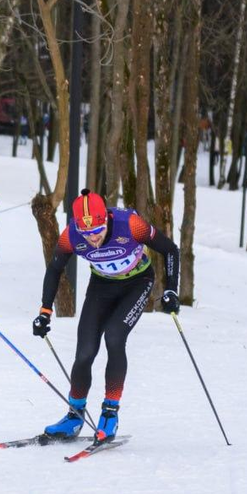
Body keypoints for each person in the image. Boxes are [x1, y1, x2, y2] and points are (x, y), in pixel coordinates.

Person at [31, 189, 180, 445]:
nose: (93, 239)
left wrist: (171, 290)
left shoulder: (130, 224)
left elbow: (170, 250)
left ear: (107, 220)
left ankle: (110, 413)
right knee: (85, 352)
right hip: (102, 286)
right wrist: (45, 311)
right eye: (87, 234)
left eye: (97, 231)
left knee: (114, 337)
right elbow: (55, 268)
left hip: (138, 283)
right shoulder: (71, 236)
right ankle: (74, 415)